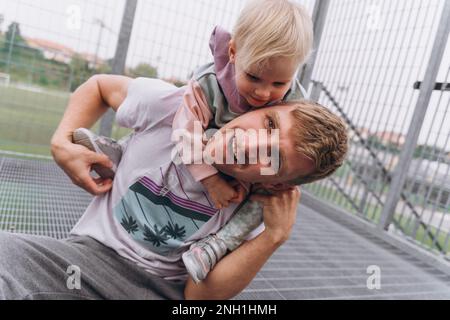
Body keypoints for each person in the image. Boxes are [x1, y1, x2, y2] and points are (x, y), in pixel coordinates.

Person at [72, 0, 317, 283]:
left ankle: (219, 244)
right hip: (193, 143)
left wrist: (274, 214)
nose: (263, 93)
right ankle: (117, 152)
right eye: (253, 77)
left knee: (269, 190)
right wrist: (211, 180)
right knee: (177, 132)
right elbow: (183, 130)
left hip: (174, 270)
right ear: (234, 52)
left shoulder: (291, 106)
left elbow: (299, 153)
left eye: (278, 84)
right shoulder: (208, 83)